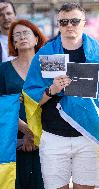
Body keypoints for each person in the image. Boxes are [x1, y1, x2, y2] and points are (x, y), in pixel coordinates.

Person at [23, 3, 99, 189]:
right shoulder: (46, 54)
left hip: (87, 135)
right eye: (64, 22)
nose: (69, 25)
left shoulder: (98, 55)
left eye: (74, 21)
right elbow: (31, 99)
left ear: (84, 23)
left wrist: (86, 96)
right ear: (58, 24)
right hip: (54, 136)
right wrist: (52, 90)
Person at [0, 19, 46, 189]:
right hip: (13, 140)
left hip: (46, 139)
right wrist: (27, 131)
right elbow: (2, 105)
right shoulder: (3, 70)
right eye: (16, 35)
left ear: (36, 38)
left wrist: (35, 135)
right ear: (12, 42)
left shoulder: (48, 67)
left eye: (26, 32)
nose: (22, 37)